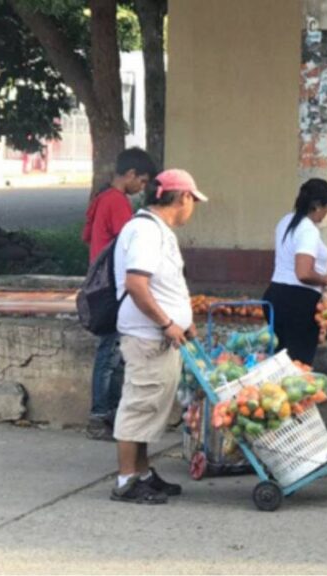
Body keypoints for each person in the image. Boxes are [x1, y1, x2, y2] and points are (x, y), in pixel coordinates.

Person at [110, 168, 208, 504]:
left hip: (160, 336)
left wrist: (184, 320)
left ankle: (142, 473)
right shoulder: (146, 232)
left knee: (151, 407)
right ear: (183, 197)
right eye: (193, 201)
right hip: (148, 336)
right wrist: (168, 322)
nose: (192, 208)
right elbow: (136, 285)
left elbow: (163, 284)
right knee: (139, 406)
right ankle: (126, 480)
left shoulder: (156, 230)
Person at [82, 148, 158, 441]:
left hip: (102, 285)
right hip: (112, 287)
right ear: (130, 175)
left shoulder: (102, 198)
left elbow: (88, 236)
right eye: (141, 181)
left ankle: (108, 412)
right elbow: (131, 244)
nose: (142, 188)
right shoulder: (116, 202)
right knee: (110, 353)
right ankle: (101, 414)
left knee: (113, 351)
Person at [263, 179, 327, 365]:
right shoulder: (308, 230)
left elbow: (294, 258)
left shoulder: (286, 221)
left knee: (279, 361)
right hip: (298, 303)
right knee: (299, 365)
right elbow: (303, 273)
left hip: (276, 296)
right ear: (317, 205)